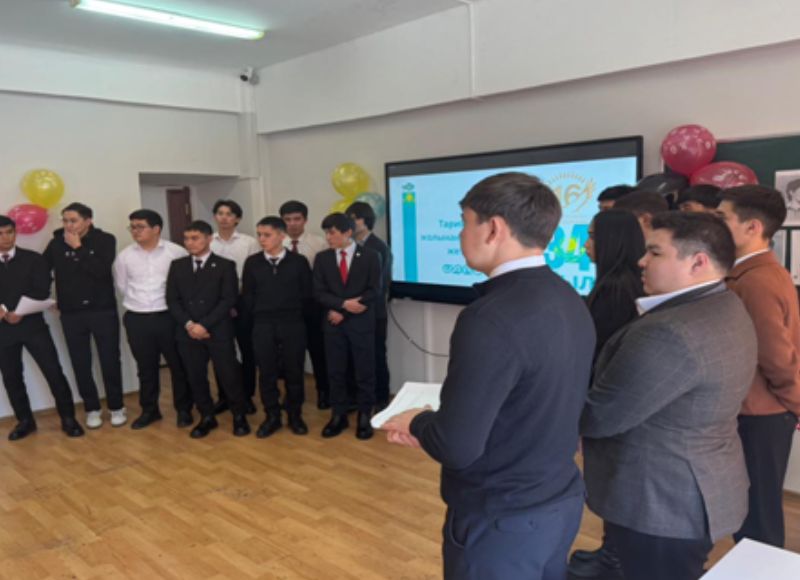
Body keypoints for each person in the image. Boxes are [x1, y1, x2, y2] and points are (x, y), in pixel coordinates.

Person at [384, 173, 595, 580]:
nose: (461, 234)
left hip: (502, 519)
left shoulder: (489, 317)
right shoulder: (569, 295)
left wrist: (418, 422)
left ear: (494, 228)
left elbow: (457, 446)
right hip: (558, 499)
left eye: (464, 223)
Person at [581, 212, 757, 580]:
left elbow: (600, 416)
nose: (641, 261)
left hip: (662, 501)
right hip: (700, 485)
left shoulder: (670, 331)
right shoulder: (726, 304)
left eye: (655, 253)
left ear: (698, 262)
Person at [717, 185, 800, 548]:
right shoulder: (749, 274)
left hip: (761, 414)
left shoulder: (756, 280)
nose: (715, 226)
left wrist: (795, 402)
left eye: (722, 218)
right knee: (751, 511)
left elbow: (775, 356)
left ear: (752, 227)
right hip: (758, 411)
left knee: (758, 519)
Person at [569, 210, 645, 578]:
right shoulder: (619, 283)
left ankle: (614, 559)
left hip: (608, 402)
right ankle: (610, 552)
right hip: (611, 401)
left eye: (592, 236)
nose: (585, 244)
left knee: (615, 481)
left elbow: (602, 355)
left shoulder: (616, 289)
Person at [0, 215, 84, 440]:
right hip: (2, 330)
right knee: (11, 376)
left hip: (33, 325)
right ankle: (25, 421)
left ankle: (68, 418)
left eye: (9, 232)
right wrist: (4, 311)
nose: (5, 238)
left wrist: (19, 312)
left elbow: (41, 289)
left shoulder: (33, 259)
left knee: (53, 371)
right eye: (0, 234)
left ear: (15, 233)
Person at [44, 202, 126, 429]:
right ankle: (92, 408)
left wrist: (78, 247)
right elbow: (42, 271)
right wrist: (46, 298)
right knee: (80, 362)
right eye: (65, 220)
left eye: (73, 220)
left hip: (102, 310)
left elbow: (101, 271)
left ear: (88, 221)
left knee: (110, 360)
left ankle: (117, 406)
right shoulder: (56, 243)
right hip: (72, 314)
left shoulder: (105, 240)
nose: (68, 225)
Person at [166, 220, 250, 439]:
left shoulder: (225, 265)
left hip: (217, 330)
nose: (190, 243)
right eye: (186, 239)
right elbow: (172, 300)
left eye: (195, 238)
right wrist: (190, 325)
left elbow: (228, 299)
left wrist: (204, 325)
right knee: (195, 376)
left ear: (208, 239)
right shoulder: (178, 266)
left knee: (229, 375)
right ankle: (206, 416)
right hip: (188, 332)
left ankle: (239, 415)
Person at [114, 209, 193, 430]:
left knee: (178, 366)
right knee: (146, 367)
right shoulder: (125, 256)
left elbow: (185, 285)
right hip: (137, 318)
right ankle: (150, 410)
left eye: (140, 226)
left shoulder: (176, 252)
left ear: (156, 229)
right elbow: (122, 286)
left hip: (169, 317)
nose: (135, 231)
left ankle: (184, 409)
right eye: (132, 227)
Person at [242, 216, 312, 438]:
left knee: (294, 371)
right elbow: (248, 296)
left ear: (282, 235)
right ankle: (272, 416)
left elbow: (307, 295)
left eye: (267, 235)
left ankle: (295, 415)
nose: (262, 239)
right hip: (263, 324)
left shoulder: (298, 262)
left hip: (292, 323)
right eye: (259, 235)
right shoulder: (252, 263)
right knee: (267, 372)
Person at [313, 212, 381, 440]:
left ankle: (365, 415)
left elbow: (374, 290)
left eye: (332, 232)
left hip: (360, 323)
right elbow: (318, 292)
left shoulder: (370, 256)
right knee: (336, 371)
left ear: (348, 232)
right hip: (333, 324)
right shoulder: (322, 258)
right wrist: (342, 305)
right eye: (326, 233)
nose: (328, 237)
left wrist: (343, 310)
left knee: (364, 371)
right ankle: (338, 415)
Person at [209, 199, 260, 416]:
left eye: (229, 214)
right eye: (220, 213)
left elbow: (254, 275)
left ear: (237, 219)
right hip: (215, 304)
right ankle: (224, 396)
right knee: (221, 351)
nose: (224, 217)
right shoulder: (209, 241)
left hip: (243, 301)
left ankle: (247, 396)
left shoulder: (249, 243)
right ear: (215, 217)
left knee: (248, 350)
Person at [280, 200, 330, 409]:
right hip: (286, 308)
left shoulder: (319, 243)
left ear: (305, 220)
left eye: (297, 219)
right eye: (288, 219)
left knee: (318, 352)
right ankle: (292, 394)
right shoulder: (276, 243)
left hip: (313, 307)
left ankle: (324, 392)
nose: (292, 223)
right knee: (289, 356)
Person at [347, 201, 393, 411]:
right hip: (350, 311)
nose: (351, 223)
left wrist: (361, 303)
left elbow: (381, 284)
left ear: (366, 221)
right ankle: (357, 398)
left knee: (376, 356)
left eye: (354, 218)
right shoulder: (348, 246)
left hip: (374, 312)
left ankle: (381, 399)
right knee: (353, 357)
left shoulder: (379, 247)